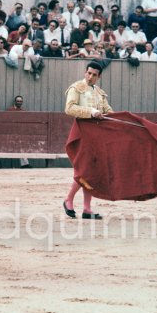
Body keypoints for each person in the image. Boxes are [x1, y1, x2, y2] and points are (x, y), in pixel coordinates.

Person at [63, 61, 113, 220]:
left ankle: (86, 209)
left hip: (97, 135)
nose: (90, 77)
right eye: (89, 73)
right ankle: (68, 199)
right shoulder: (76, 88)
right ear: (85, 72)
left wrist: (117, 118)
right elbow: (69, 108)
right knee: (85, 170)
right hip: (83, 132)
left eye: (94, 75)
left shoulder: (100, 93)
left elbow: (108, 111)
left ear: (99, 77)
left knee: (91, 171)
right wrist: (91, 112)